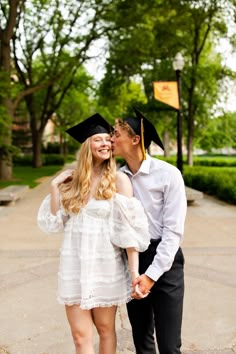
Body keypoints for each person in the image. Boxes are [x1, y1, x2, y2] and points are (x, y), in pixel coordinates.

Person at [37, 113, 150, 354]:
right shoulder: (72, 181)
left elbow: (128, 232)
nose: (106, 144)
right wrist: (55, 187)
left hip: (105, 268)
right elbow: (54, 224)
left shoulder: (118, 180)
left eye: (108, 140)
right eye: (98, 139)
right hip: (74, 268)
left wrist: (134, 273)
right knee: (80, 337)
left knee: (106, 329)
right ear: (87, 145)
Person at [111, 107, 187, 354]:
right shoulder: (115, 178)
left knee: (169, 345)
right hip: (133, 258)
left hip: (166, 261)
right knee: (142, 342)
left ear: (135, 139)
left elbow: (173, 233)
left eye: (116, 134)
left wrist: (152, 275)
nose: (111, 139)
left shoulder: (168, 175)